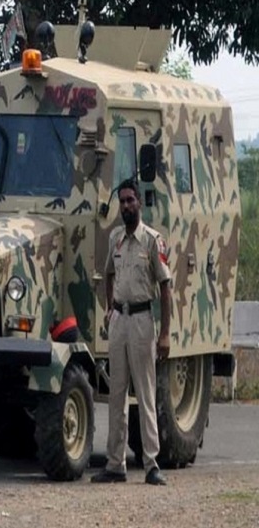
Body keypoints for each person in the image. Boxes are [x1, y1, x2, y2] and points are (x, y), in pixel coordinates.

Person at [91, 179, 170, 487]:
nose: (125, 206)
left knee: (146, 393)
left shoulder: (152, 240)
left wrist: (165, 333)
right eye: (122, 201)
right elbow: (108, 273)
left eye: (130, 201)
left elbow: (165, 287)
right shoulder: (116, 239)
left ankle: (151, 463)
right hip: (120, 321)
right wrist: (109, 308)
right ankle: (115, 463)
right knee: (116, 395)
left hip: (141, 320)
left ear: (140, 203)